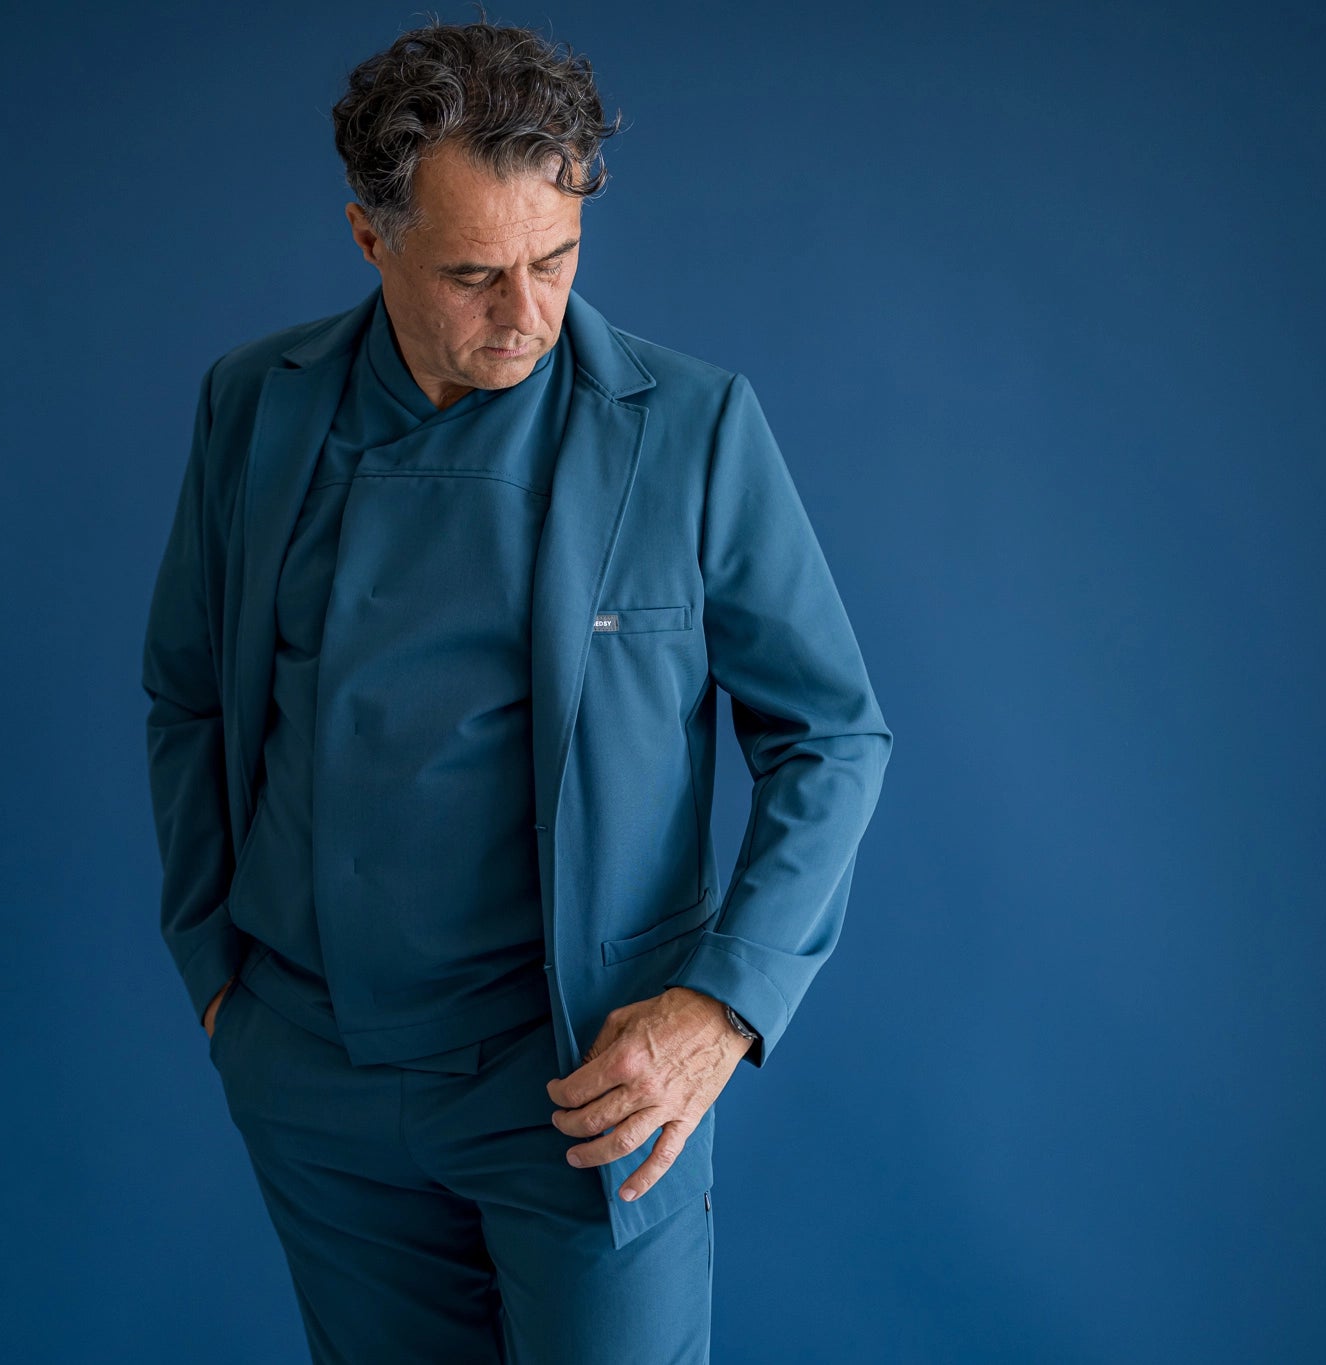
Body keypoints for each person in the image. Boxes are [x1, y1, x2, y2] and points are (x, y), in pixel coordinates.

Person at [140, 15, 892, 1363]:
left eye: (557, 259)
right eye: (475, 274)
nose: (528, 314)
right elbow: (188, 691)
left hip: (582, 1080)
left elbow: (832, 733)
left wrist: (723, 1005)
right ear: (370, 240)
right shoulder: (254, 404)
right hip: (315, 1073)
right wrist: (215, 970)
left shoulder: (692, 427)